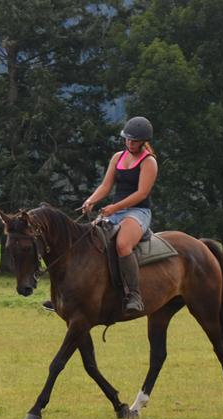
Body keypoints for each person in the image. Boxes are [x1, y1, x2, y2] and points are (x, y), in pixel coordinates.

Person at [84, 116, 158, 314]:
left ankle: (134, 295)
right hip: (116, 210)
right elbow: (106, 186)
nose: (129, 143)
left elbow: (142, 193)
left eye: (134, 141)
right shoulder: (118, 157)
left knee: (123, 245)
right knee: (88, 239)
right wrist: (91, 200)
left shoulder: (149, 162)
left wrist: (114, 208)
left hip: (138, 211)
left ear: (143, 141)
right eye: (127, 139)